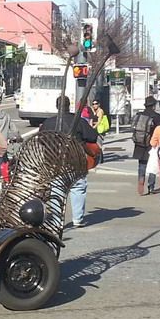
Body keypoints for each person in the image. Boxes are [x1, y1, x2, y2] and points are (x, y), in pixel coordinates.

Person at [40, 94, 99, 227]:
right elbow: (92, 136)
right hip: (75, 160)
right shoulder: (77, 121)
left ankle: (56, 220)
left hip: (54, 161)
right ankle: (77, 218)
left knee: (57, 189)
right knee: (78, 188)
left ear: (57, 106)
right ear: (69, 106)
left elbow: (41, 140)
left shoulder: (48, 122)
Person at [131, 96, 160, 196]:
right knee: (152, 166)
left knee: (142, 164)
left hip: (139, 143)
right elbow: (159, 131)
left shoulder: (139, 115)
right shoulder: (157, 117)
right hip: (152, 144)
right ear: (154, 105)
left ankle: (141, 180)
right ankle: (151, 186)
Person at [0, 104, 21, 181]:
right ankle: (4, 178)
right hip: (2, 143)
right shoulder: (6, 116)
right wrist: (18, 137)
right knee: (3, 162)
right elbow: (14, 129)